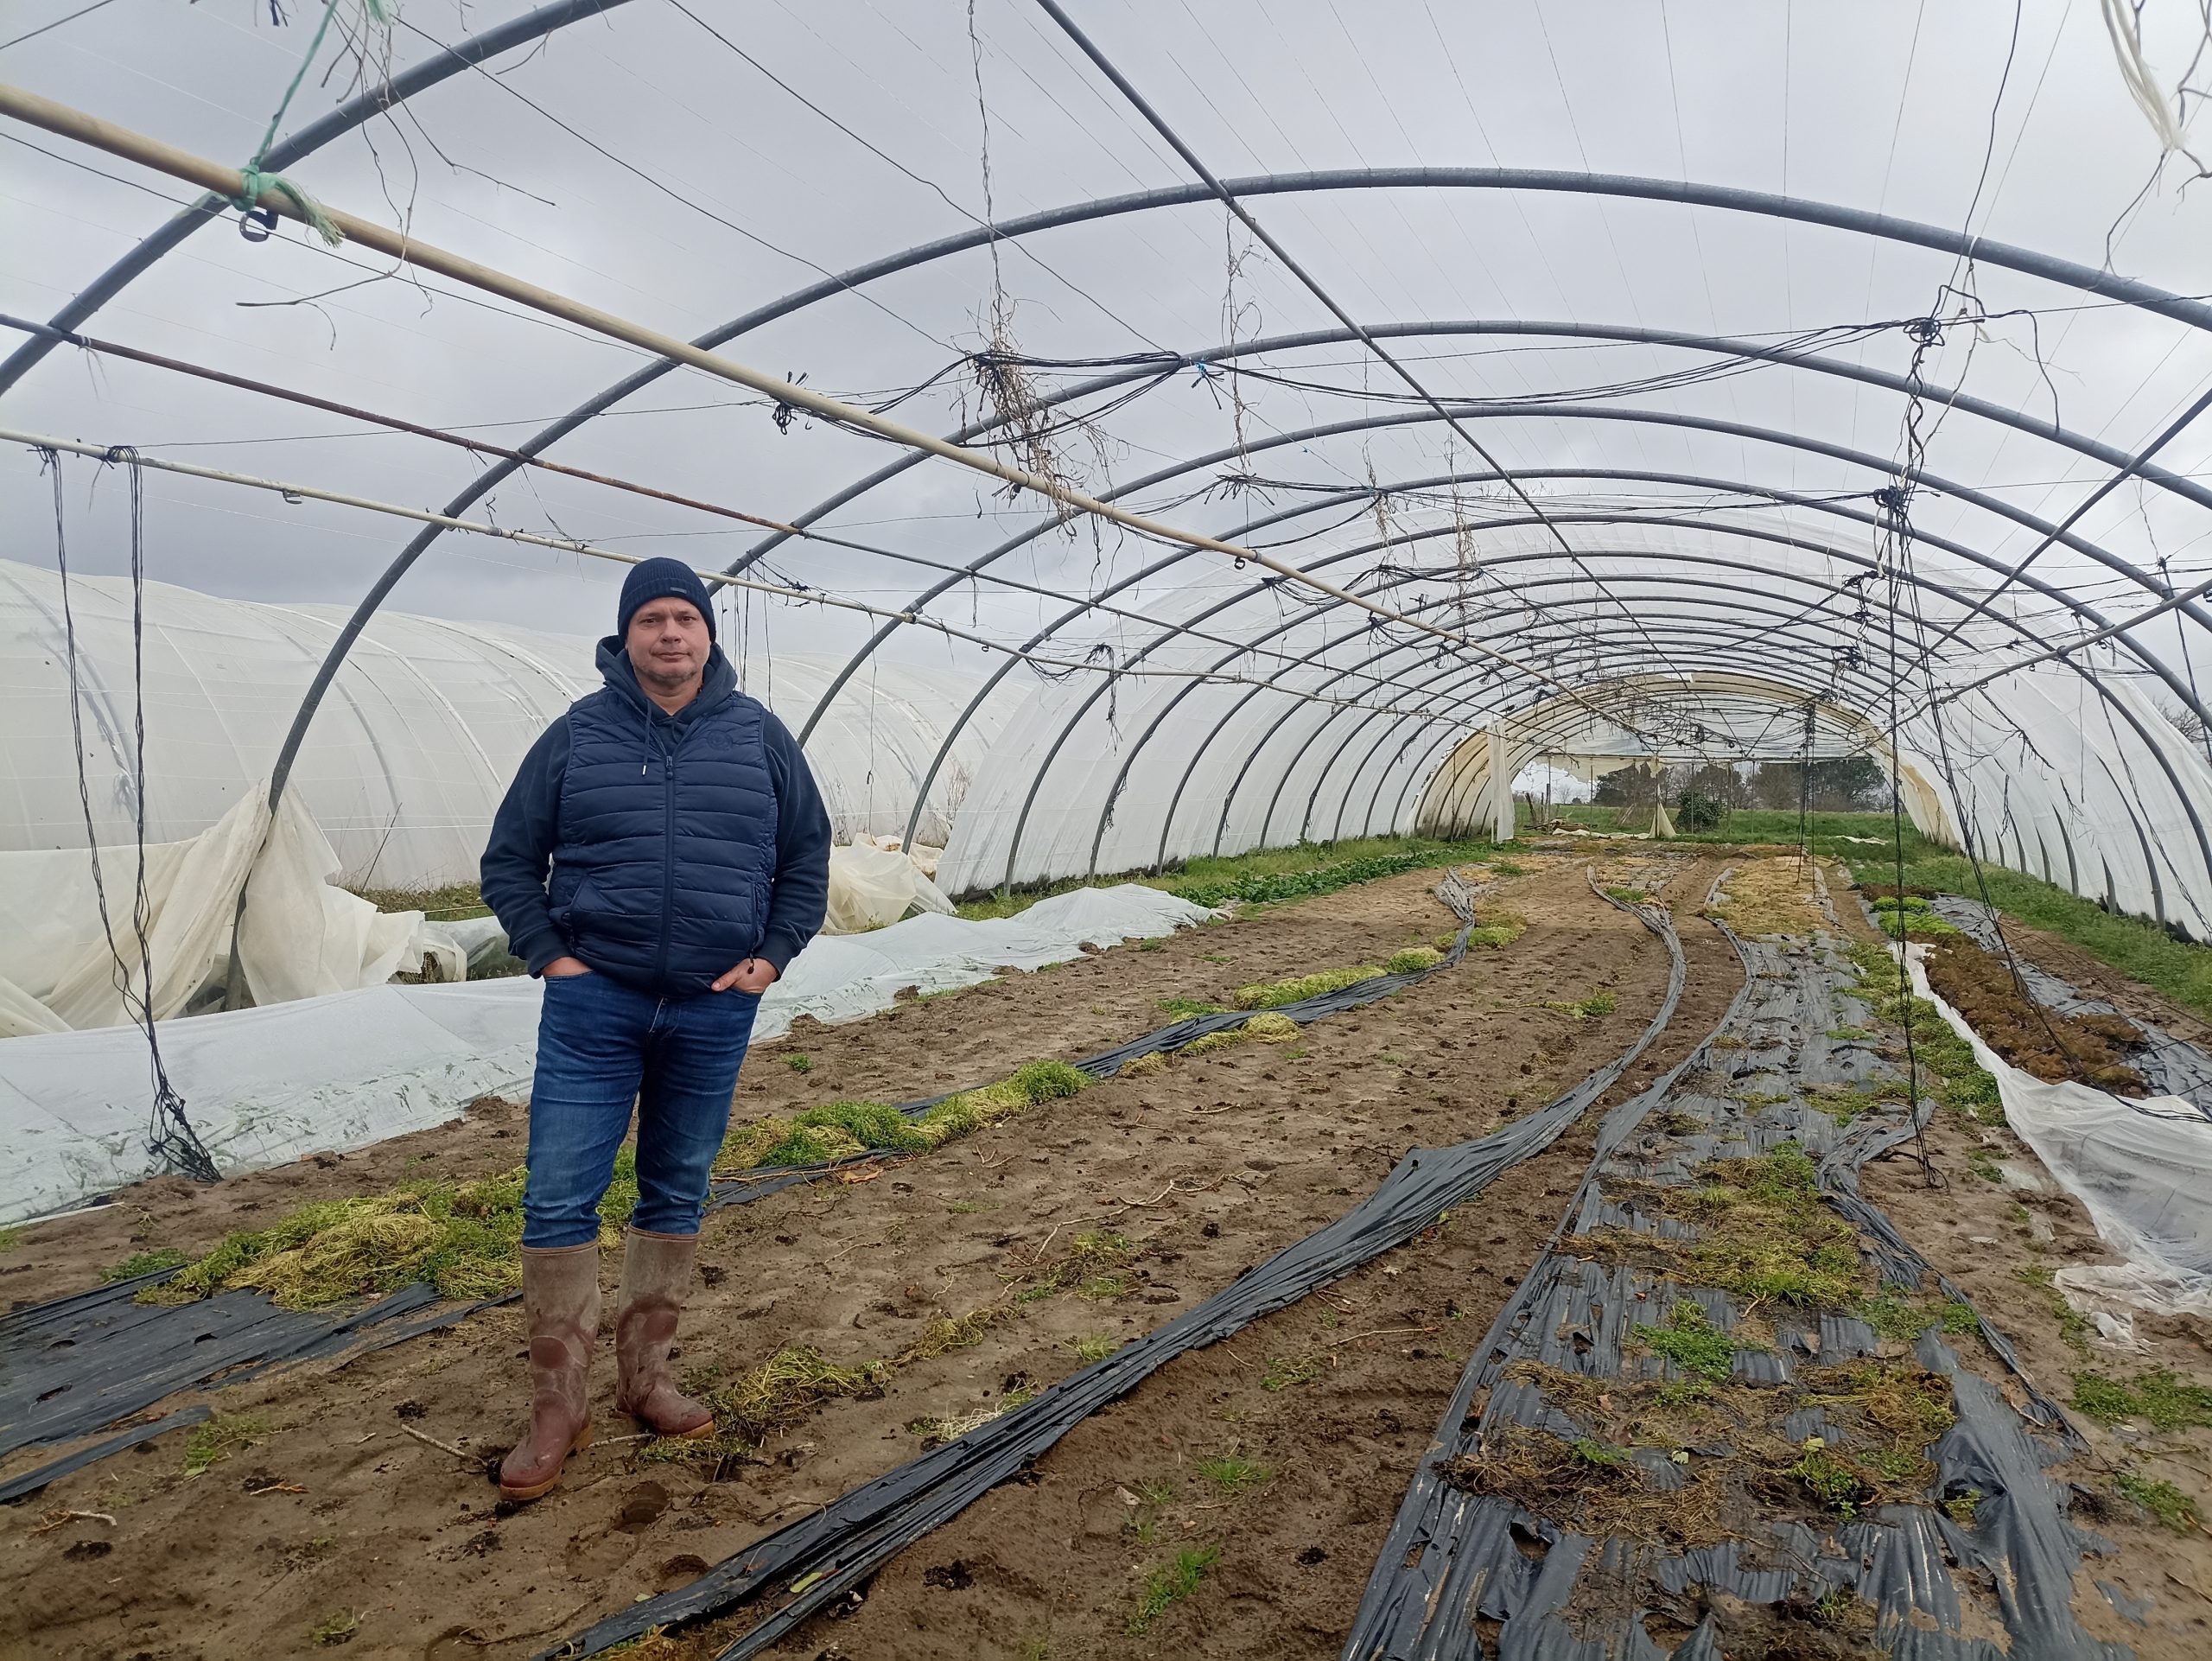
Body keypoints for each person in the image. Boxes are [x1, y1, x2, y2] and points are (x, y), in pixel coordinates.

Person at [480, 557, 830, 1501]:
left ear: (708, 635)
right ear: (626, 635)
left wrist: (770, 958)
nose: (669, 634)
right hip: (597, 1002)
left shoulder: (760, 738)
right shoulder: (576, 737)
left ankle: (647, 1377)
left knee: (675, 1185)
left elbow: (806, 856)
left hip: (713, 1005)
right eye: (652, 619)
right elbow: (509, 860)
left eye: (685, 618)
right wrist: (553, 953)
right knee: (558, 1194)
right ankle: (558, 1403)